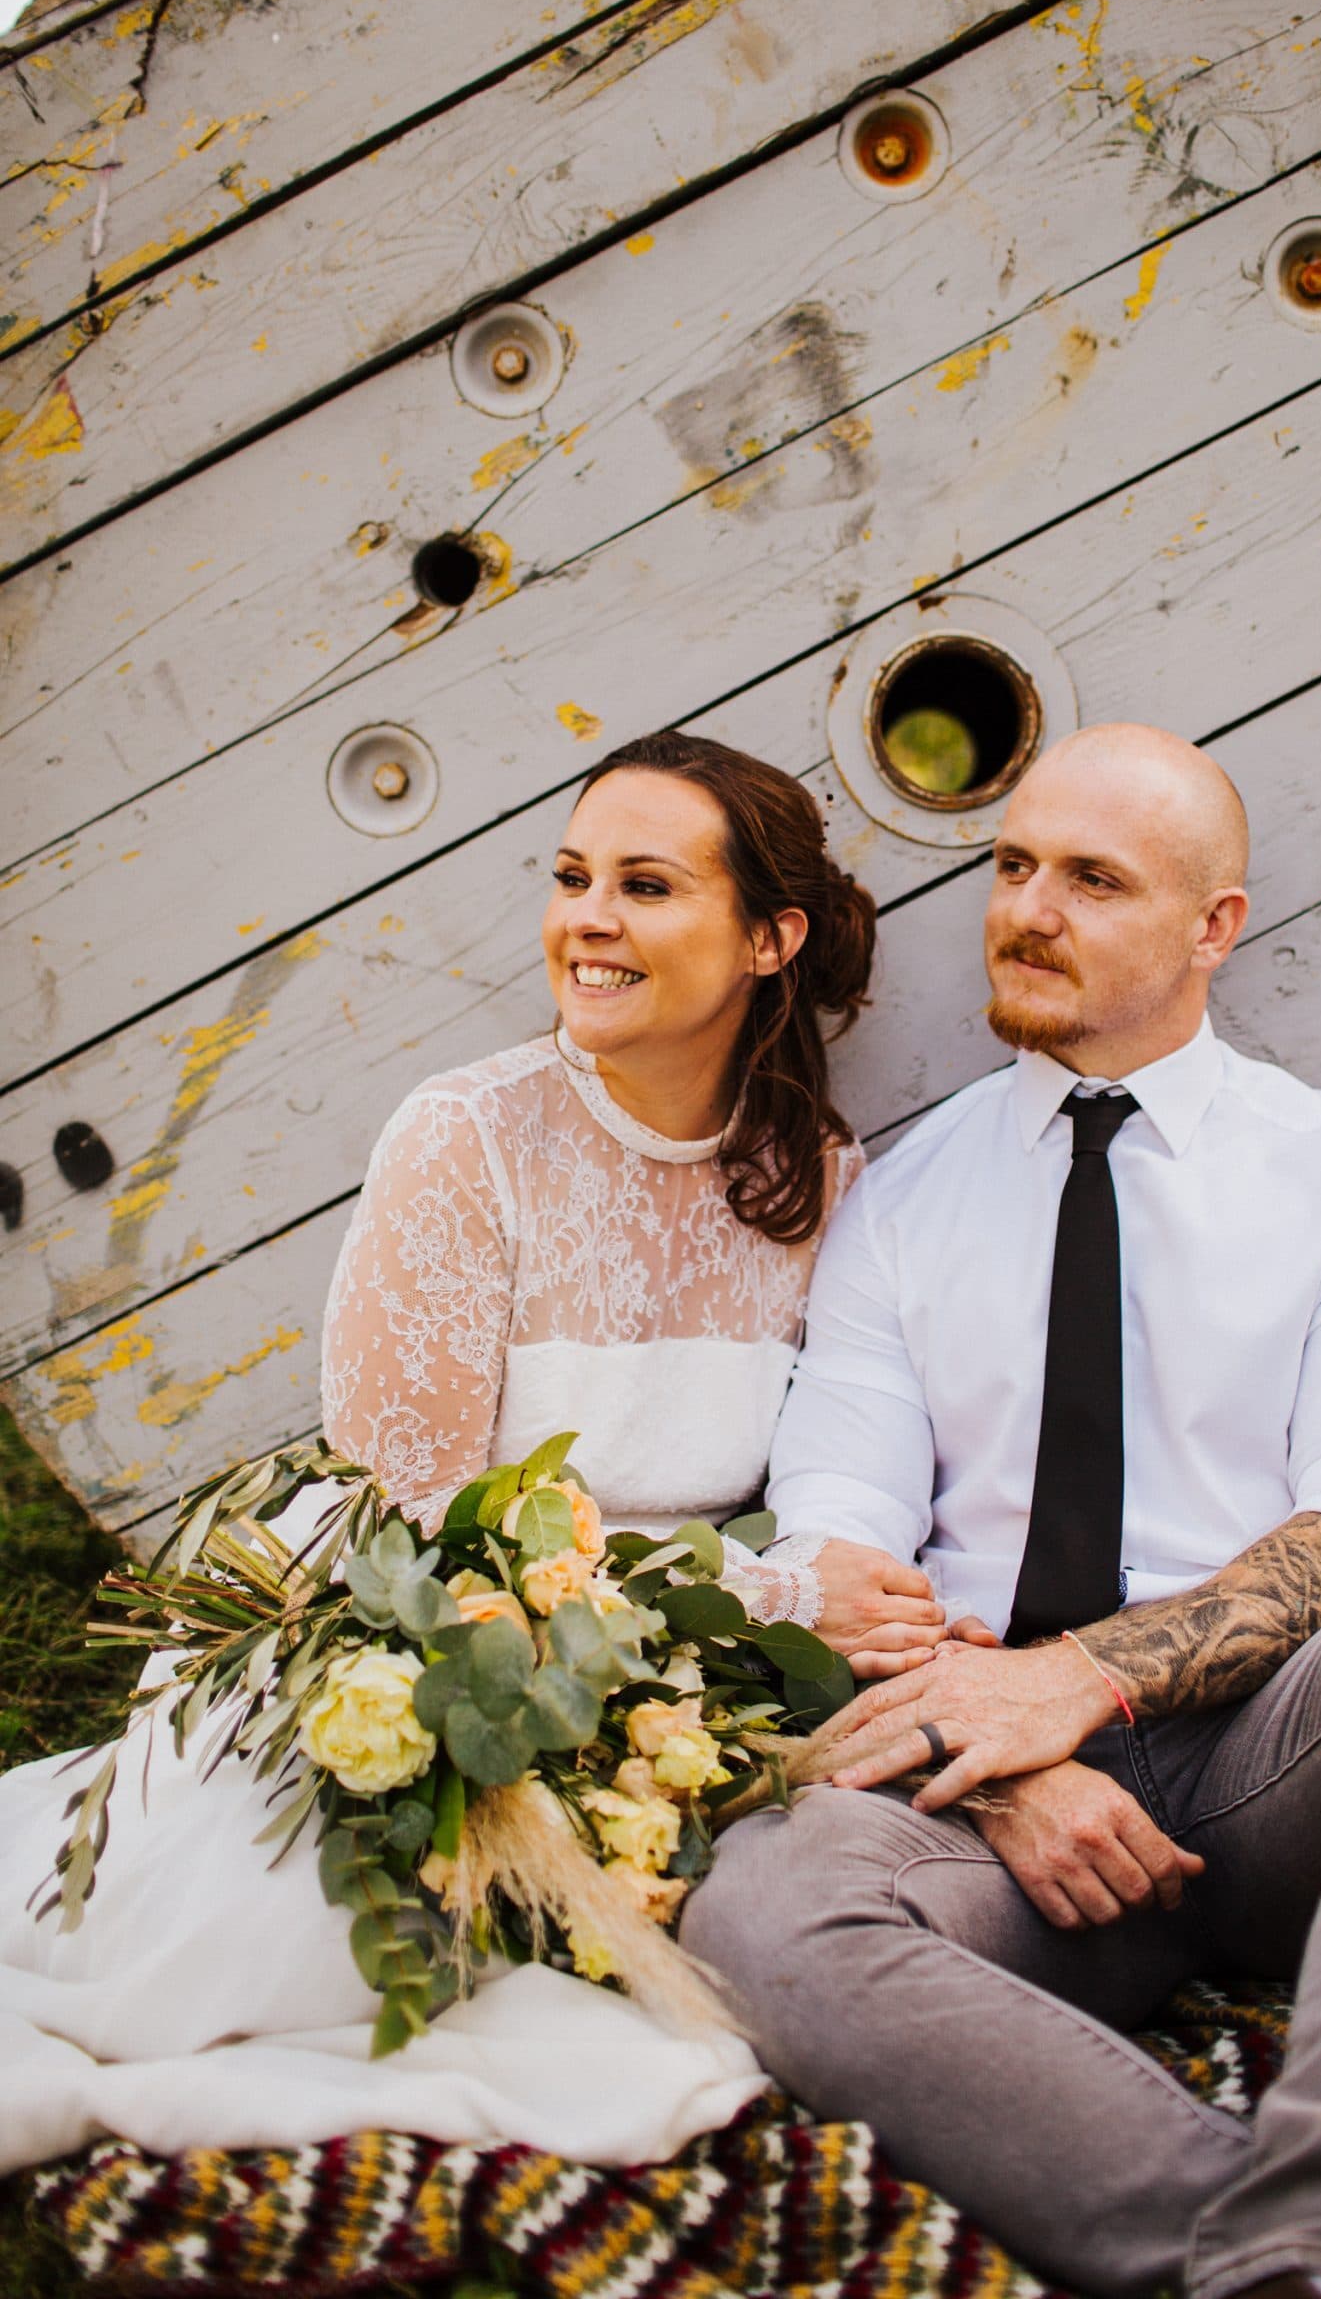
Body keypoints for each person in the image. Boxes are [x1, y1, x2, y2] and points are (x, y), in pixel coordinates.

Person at [682, 722, 1321, 2299]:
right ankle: (1305, 2271)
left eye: (1091, 880)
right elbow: (835, 1550)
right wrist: (1000, 1770)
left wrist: (1083, 1680)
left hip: (1271, 1758)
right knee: (761, 1909)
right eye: (1013, 867)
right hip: (992, 1805)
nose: (1027, 909)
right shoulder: (904, 1200)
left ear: (1212, 926)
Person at [0, 730, 944, 2175]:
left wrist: (801, 1612)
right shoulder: (467, 1139)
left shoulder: (824, 1179)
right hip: (416, 1645)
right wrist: (764, 1600)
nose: (589, 920)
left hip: (660, 1696)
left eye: (644, 885)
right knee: (293, 1966)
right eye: (573, 878)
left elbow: (828, 1468)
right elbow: (410, 1511)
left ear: (770, 937)